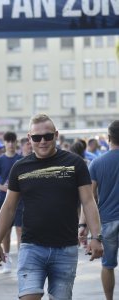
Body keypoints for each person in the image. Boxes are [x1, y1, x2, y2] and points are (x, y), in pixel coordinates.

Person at [0, 114, 103, 299]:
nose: (42, 141)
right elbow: (8, 208)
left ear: (56, 135)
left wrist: (96, 236)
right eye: (36, 137)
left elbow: (88, 201)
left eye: (48, 136)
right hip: (31, 247)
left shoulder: (75, 164)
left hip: (65, 249)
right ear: (29, 138)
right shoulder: (20, 167)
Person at [79, 120, 119, 300]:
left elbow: (88, 197)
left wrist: (83, 224)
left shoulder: (96, 163)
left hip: (108, 221)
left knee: (108, 265)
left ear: (109, 138)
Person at [0, 131, 22, 273]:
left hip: (21, 200)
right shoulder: (0, 160)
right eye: (7, 141)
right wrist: (0, 186)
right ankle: (7, 259)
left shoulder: (21, 159)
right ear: (4, 143)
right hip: (4, 200)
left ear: (16, 142)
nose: (10, 144)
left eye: (12, 141)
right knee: (6, 232)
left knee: (21, 230)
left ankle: (22, 260)